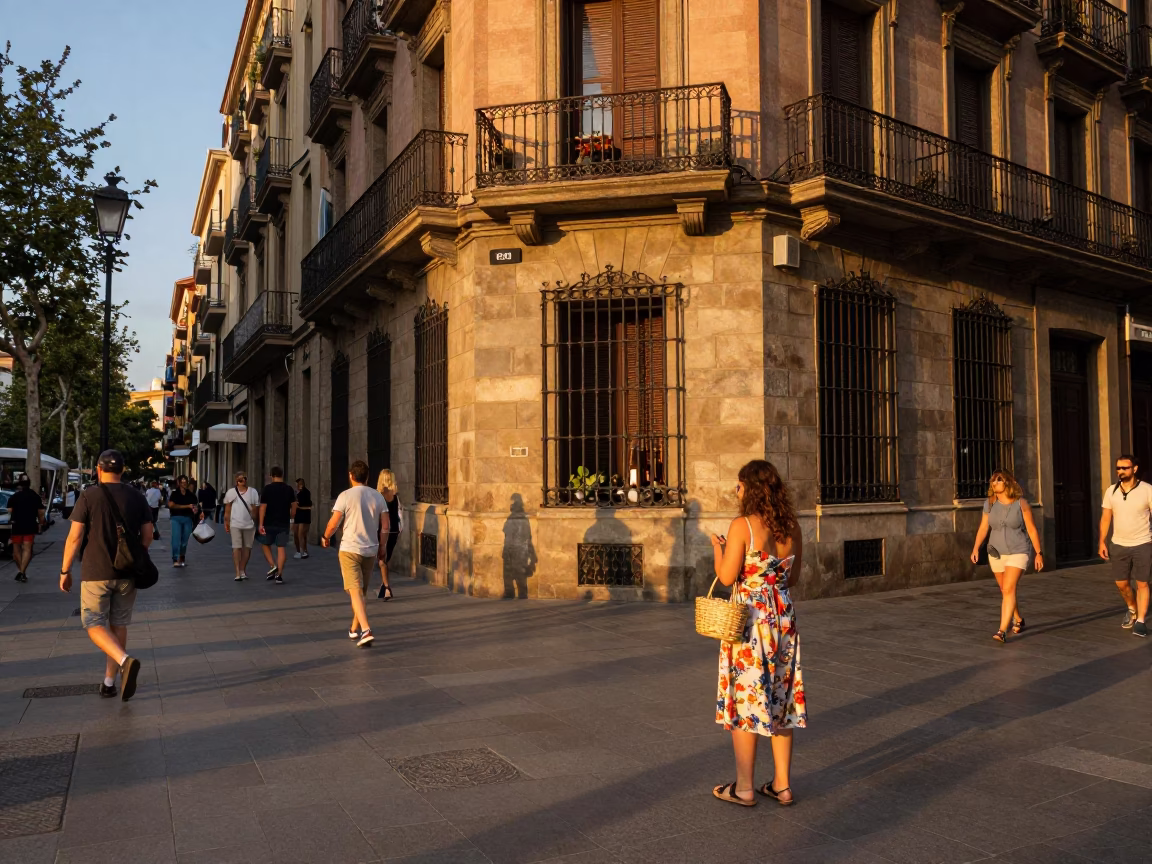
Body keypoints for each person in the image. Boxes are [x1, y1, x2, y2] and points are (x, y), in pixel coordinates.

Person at [710, 459, 806, 808]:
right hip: (783, 616)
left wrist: (718, 550)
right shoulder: (791, 526)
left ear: (749, 488)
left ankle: (745, 787)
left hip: (751, 621)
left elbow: (726, 576)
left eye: (738, 486)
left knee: (746, 699)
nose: (736, 491)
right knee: (781, 696)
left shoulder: (742, 525)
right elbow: (792, 578)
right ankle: (782, 784)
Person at [57, 449, 151, 701]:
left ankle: (124, 660)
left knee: (94, 624)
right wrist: (135, 555)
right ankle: (109, 682)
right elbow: (148, 534)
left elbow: (75, 537)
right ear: (122, 470)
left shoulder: (89, 495)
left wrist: (65, 570)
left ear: (98, 469)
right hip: (127, 573)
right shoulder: (136, 496)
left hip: (96, 571)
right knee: (118, 625)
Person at [321, 460, 389, 648]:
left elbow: (334, 523)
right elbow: (385, 526)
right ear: (367, 477)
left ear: (351, 476)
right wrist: (382, 547)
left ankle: (366, 629)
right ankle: (354, 628)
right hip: (371, 549)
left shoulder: (345, 496)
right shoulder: (378, 497)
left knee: (355, 591)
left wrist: (325, 536)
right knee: (360, 592)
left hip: (350, 549)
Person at [971, 469, 1044, 643]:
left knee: (1008, 589)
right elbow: (983, 527)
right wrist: (975, 548)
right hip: (995, 552)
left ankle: (1002, 630)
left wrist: (1039, 553)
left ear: (1008, 482)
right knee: (1005, 590)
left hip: (1018, 551)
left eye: (998, 479)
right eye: (992, 480)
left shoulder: (1021, 504)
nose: (994, 482)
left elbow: (1032, 530)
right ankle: (1018, 618)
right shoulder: (989, 503)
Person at [1099, 454, 1152, 638]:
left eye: (1125, 468)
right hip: (1119, 544)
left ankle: (1141, 621)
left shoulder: (1147, 490)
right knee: (1122, 584)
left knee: (1142, 583)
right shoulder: (1111, 491)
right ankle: (1132, 608)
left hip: (1143, 543)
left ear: (1134, 469)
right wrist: (1101, 541)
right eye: (1118, 468)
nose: (1120, 471)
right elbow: (1106, 518)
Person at [257, 466, 296, 584]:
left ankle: (273, 565)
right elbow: (294, 506)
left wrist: (260, 523)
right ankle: (279, 575)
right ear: (282, 475)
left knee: (264, 544)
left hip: (269, 522)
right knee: (281, 547)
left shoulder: (267, 489)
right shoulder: (289, 489)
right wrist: (292, 518)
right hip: (283, 522)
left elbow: (263, 507)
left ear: (271, 476)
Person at [223, 471, 260, 581]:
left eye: (244, 478)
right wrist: (226, 522)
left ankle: (243, 569)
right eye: (240, 480)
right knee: (236, 548)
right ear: (236, 481)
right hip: (235, 524)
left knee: (247, 548)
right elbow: (227, 509)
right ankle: (237, 572)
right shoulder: (231, 492)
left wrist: (255, 518)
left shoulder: (253, 492)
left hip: (249, 525)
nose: (242, 481)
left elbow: (256, 508)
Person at [8, 478, 46, 583]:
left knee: (16, 550)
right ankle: (22, 572)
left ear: (19, 485)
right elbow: (41, 512)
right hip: (30, 526)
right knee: (27, 549)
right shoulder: (35, 497)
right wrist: (41, 523)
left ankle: (21, 572)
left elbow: (9, 511)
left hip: (17, 526)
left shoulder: (13, 497)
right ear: (29, 484)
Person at [375, 469, 402, 600]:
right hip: (394, 531)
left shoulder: (379, 496)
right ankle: (383, 585)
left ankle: (387, 588)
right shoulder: (395, 496)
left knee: (381, 560)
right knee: (386, 559)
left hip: (383, 531)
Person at [167, 475, 198, 568]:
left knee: (185, 540)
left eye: (185, 482)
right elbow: (171, 505)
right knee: (176, 539)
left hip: (188, 519)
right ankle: (175, 559)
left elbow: (195, 506)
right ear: (179, 483)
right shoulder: (175, 493)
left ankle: (182, 557)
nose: (184, 484)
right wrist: (186, 506)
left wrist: (197, 511)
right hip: (176, 518)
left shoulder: (191, 495)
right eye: (182, 482)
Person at [292, 478, 312, 559]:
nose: (296, 486)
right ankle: (298, 551)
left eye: (297, 484)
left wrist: (298, 506)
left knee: (301, 534)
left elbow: (309, 505)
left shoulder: (306, 492)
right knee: (296, 534)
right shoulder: (296, 493)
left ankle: (304, 551)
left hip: (304, 516)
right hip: (297, 515)